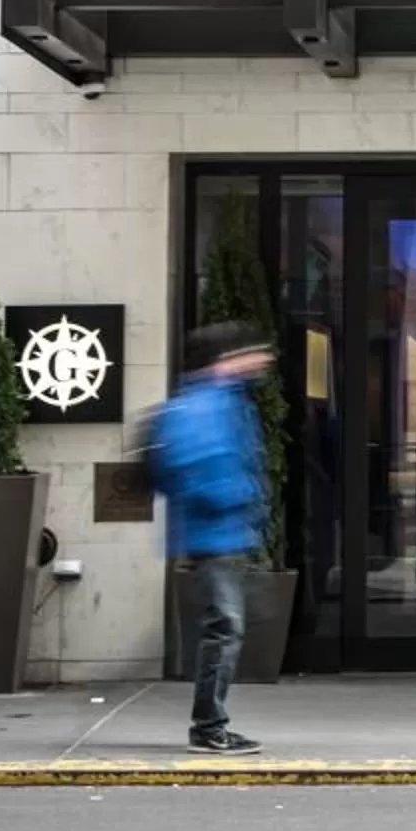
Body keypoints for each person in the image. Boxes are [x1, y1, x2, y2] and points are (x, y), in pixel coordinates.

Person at [148, 321, 275, 756]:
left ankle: (211, 723)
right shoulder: (202, 407)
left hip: (223, 532)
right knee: (224, 629)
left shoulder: (223, 402)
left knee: (225, 628)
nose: (262, 359)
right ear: (226, 359)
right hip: (212, 534)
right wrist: (238, 498)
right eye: (252, 352)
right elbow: (192, 471)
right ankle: (207, 727)